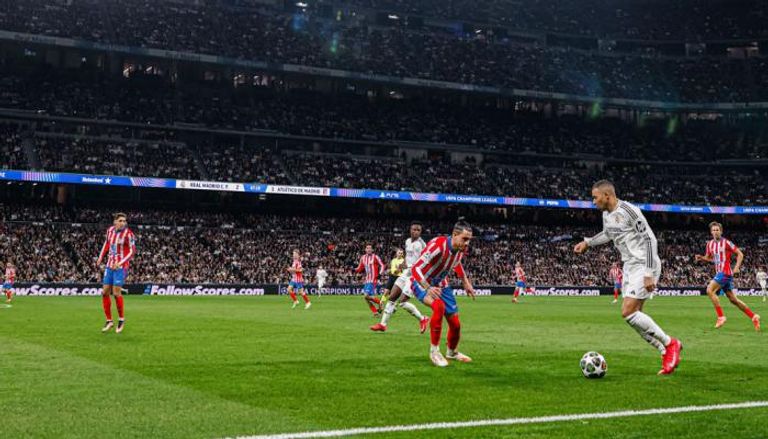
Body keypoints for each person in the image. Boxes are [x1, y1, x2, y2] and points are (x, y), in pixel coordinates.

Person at [574, 180, 682, 375]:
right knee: (634, 317)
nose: (593, 201)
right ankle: (664, 351)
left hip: (643, 264)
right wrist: (588, 243)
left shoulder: (630, 211)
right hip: (630, 266)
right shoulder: (606, 215)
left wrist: (648, 273)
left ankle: (671, 344)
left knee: (628, 312)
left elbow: (650, 240)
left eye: (595, 197)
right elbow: (608, 234)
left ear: (607, 195)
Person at [410, 219, 476, 367]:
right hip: (421, 282)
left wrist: (465, 282)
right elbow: (415, 268)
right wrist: (428, 287)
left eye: (469, 240)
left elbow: (456, 263)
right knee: (438, 306)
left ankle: (451, 352)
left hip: (441, 284)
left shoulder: (460, 250)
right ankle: (434, 352)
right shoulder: (438, 245)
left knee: (455, 324)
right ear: (455, 234)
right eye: (465, 239)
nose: (467, 243)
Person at [694, 222, 759, 331]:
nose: (715, 232)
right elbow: (710, 258)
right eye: (713, 230)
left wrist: (736, 268)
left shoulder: (727, 243)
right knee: (733, 300)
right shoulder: (709, 244)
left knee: (709, 290)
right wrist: (701, 258)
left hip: (725, 272)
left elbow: (740, 254)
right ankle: (753, 316)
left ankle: (721, 317)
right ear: (711, 232)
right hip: (719, 273)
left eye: (717, 230)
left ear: (721, 231)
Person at [370, 222, 429, 332]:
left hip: (414, 275)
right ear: (410, 230)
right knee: (392, 297)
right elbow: (408, 257)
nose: (416, 232)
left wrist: (420, 274)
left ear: (420, 232)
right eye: (414, 229)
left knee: (402, 302)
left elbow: (427, 261)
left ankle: (423, 319)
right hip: (405, 273)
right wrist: (402, 266)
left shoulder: (422, 245)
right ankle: (382, 324)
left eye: (418, 230)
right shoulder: (407, 241)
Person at [97, 212, 136, 333]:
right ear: (115, 222)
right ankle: (109, 321)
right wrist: (100, 257)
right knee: (104, 292)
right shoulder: (110, 231)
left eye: (124, 221)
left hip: (121, 266)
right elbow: (107, 243)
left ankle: (121, 319)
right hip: (109, 265)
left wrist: (120, 262)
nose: (123, 223)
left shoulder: (129, 234)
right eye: (120, 221)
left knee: (116, 293)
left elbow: (132, 251)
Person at [355, 244, 385, 317]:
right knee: (367, 299)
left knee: (366, 296)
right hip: (367, 280)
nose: (368, 249)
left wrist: (380, 274)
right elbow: (360, 268)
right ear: (365, 249)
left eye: (370, 248)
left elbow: (382, 265)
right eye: (367, 248)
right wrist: (355, 270)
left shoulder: (375, 257)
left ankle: (380, 303)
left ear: (372, 250)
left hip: (373, 280)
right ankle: (375, 313)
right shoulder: (363, 257)